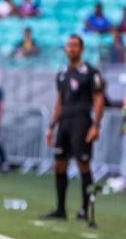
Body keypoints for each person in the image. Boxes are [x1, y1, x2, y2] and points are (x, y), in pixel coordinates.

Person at [41, 35, 104, 221]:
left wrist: (96, 125)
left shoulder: (91, 72)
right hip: (64, 123)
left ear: (81, 49)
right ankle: (60, 209)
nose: (71, 49)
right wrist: (51, 126)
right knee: (59, 164)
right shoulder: (62, 73)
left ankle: (85, 209)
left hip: (82, 123)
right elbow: (59, 101)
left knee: (83, 163)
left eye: (75, 46)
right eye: (69, 45)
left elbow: (99, 99)